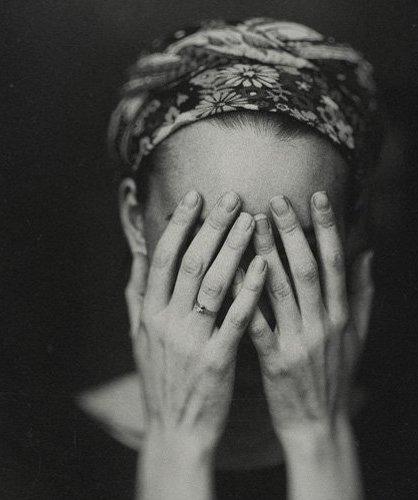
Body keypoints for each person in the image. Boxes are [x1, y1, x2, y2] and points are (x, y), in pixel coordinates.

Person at [80, 18, 383, 499]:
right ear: (135, 220)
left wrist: (317, 439)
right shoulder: (29, 458)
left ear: (351, 229)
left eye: (290, 245)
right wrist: (178, 444)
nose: (244, 299)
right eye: (209, 242)